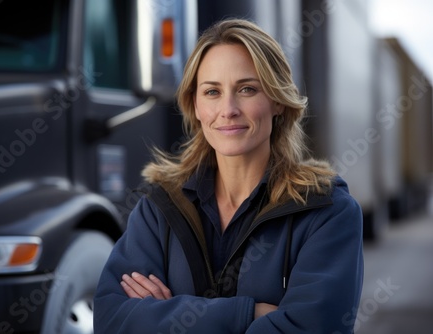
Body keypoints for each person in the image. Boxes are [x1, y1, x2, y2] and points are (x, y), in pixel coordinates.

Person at [94, 18, 363, 333]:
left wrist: (166, 315)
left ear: (277, 100)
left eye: (247, 89)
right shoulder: (159, 208)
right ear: (195, 105)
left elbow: (311, 328)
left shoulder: (326, 210)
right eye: (212, 92)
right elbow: (113, 320)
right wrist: (250, 314)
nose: (228, 109)